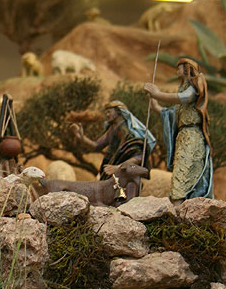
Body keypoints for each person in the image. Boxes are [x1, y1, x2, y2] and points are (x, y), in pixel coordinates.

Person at [144, 57, 213, 205]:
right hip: (183, 137)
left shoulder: (195, 85)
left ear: (187, 68)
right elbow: (172, 114)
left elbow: (184, 98)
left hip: (192, 137)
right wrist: (155, 103)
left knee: (186, 170)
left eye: (179, 68)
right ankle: (180, 204)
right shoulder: (183, 89)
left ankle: (183, 203)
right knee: (180, 170)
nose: (177, 71)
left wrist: (158, 94)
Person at [71, 100, 155, 180]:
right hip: (109, 167)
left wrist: (118, 167)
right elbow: (96, 146)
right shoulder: (112, 128)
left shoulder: (125, 131)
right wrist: (81, 137)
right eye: (106, 112)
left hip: (121, 174)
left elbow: (139, 156)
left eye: (109, 112)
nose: (107, 115)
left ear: (118, 112)